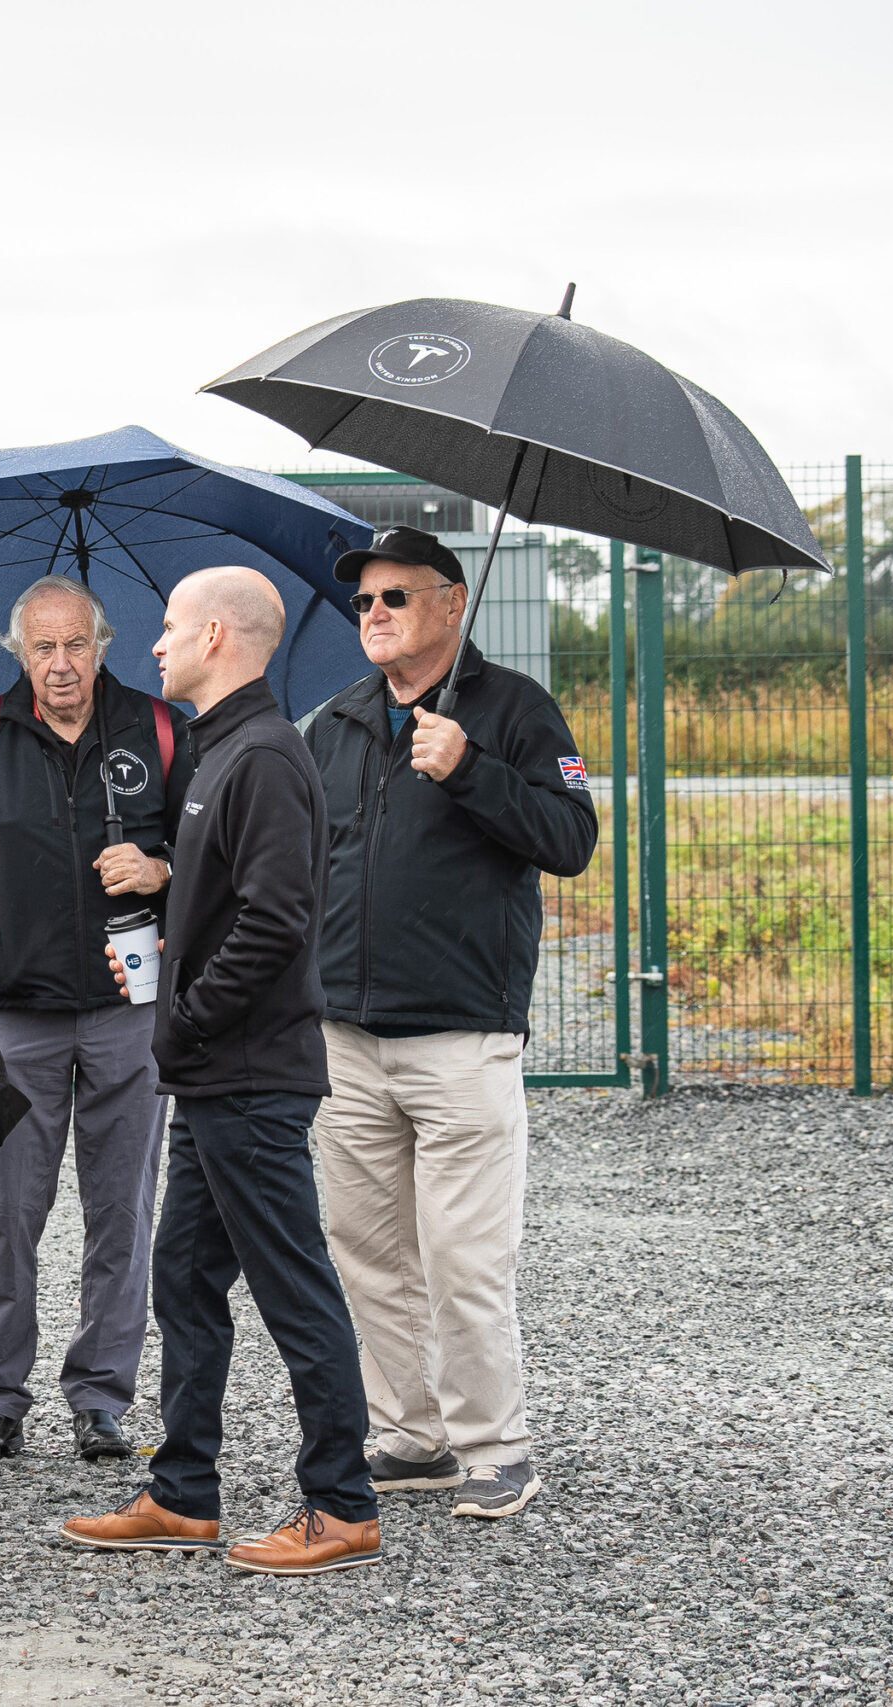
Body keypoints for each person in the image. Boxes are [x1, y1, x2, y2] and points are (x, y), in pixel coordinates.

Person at [61, 567, 380, 1575]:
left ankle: (341, 1505)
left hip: (245, 1075)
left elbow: (279, 923)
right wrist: (158, 950)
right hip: (211, 1075)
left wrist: (187, 1015)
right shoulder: (217, 753)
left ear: (215, 635)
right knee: (185, 1281)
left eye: (164, 629)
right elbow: (226, 910)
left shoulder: (267, 759)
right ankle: (183, 1491)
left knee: (294, 1290)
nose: (150, 647)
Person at [301, 527, 598, 1520]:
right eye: (363, 603)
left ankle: (495, 1449)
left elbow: (570, 840)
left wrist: (470, 768)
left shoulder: (514, 711)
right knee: (368, 1248)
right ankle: (412, 1437)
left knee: (465, 1256)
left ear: (451, 604)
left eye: (393, 597)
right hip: (344, 1038)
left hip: (461, 1038)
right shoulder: (336, 724)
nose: (373, 615)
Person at [0, 576, 193, 1465]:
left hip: (128, 1009)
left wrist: (161, 871)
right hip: (11, 1016)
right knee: (7, 1211)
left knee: (123, 1209)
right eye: (44, 648)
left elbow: (214, 848)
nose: (62, 664)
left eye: (77, 644)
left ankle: (101, 1398)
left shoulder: (159, 731)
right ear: (20, 652)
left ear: (104, 643)